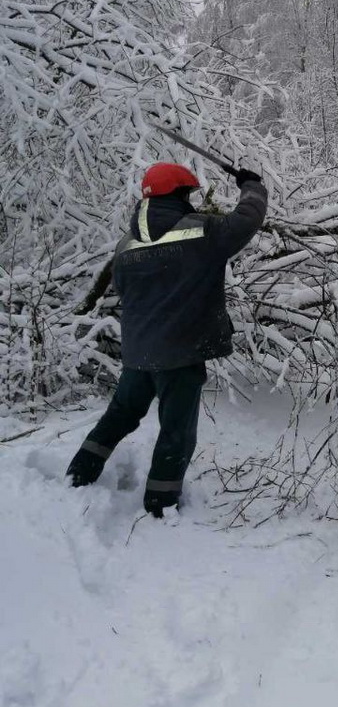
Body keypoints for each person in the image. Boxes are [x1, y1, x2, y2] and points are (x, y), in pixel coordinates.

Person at [66, 161, 267, 517]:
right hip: (180, 354)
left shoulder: (125, 246)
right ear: (178, 194)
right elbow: (246, 221)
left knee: (120, 415)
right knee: (176, 430)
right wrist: (251, 186)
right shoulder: (200, 231)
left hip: (139, 352)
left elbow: (126, 292)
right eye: (187, 193)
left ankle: (79, 472)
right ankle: (160, 503)